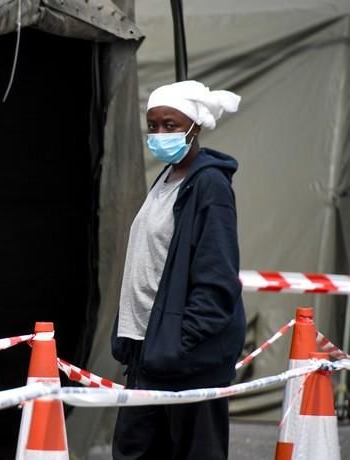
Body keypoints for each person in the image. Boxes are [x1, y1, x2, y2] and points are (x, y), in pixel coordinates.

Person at [110, 80, 247, 460]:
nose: (158, 134)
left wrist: (178, 346)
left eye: (170, 125)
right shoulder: (166, 180)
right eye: (152, 125)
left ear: (195, 128)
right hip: (147, 358)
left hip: (185, 366)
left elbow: (217, 281)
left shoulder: (210, 186)